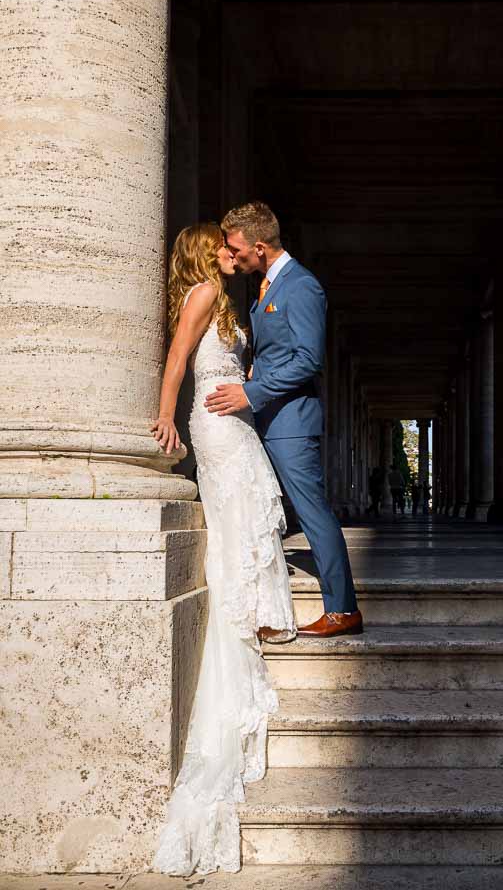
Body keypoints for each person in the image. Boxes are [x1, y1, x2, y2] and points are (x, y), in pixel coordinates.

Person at [151, 223, 296, 876]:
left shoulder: (222, 296)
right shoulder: (204, 291)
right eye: (219, 243)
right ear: (202, 252)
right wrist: (162, 415)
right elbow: (179, 357)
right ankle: (244, 608)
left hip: (230, 416)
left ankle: (248, 602)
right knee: (242, 501)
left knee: (249, 506)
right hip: (212, 424)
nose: (227, 252)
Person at [205, 202, 361, 640]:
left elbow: (309, 360)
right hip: (267, 416)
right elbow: (280, 352)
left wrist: (250, 391)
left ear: (259, 246)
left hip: (291, 421)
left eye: (235, 249)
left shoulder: (301, 286)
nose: (231, 256)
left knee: (313, 514)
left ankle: (343, 609)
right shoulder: (267, 283)